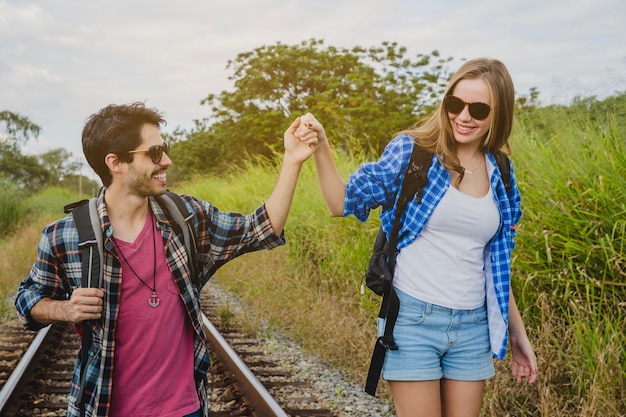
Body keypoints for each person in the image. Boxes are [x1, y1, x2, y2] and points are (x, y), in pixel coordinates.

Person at [15, 102, 318, 417]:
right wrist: (66, 309)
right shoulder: (66, 236)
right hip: (104, 408)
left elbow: (260, 229)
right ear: (115, 162)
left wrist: (292, 161)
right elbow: (27, 301)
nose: (167, 161)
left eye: (165, 149)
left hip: (184, 409)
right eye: (155, 153)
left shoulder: (185, 217)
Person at [302, 58, 538, 417]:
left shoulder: (502, 171)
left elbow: (497, 264)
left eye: (478, 109)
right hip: (413, 321)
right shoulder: (412, 152)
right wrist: (321, 146)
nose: (464, 116)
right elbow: (340, 202)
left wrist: (517, 333)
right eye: (455, 104)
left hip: (473, 327)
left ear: (498, 114)